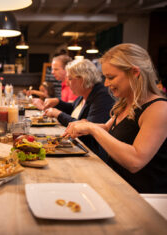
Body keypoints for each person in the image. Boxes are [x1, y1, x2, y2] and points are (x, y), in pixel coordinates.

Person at [64, 43, 167, 193]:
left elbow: (135, 161)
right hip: (118, 184)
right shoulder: (127, 103)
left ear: (134, 72)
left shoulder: (159, 109)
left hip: (145, 197)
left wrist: (92, 128)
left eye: (111, 77)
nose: (106, 84)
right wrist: (83, 125)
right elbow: (108, 128)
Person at [43, 59, 114, 159]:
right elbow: (73, 109)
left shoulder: (102, 96)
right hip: (78, 149)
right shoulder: (85, 94)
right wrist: (58, 102)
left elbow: (88, 131)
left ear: (84, 79)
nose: (67, 83)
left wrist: (58, 114)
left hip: (92, 156)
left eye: (70, 79)